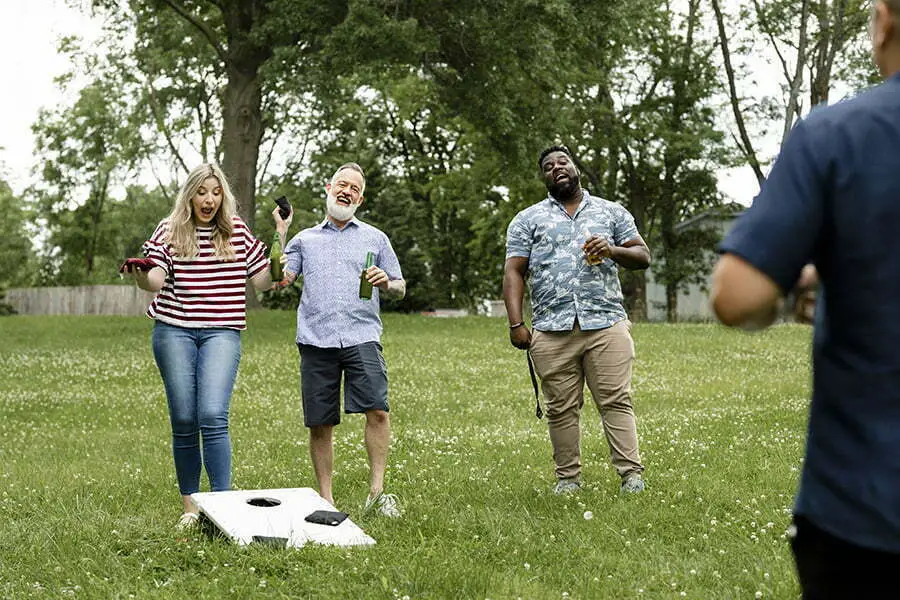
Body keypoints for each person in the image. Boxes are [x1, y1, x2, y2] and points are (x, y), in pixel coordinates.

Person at [710, 1, 900, 594]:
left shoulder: (838, 134)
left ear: (886, 19)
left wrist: (793, 279)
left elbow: (736, 295)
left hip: (865, 514)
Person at [121, 163, 277, 530]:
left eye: (216, 192)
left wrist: (282, 243)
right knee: (185, 420)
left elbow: (264, 282)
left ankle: (221, 507)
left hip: (221, 331)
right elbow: (155, 281)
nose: (209, 199)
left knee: (212, 415)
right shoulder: (169, 230)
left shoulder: (236, 232)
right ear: (189, 195)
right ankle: (191, 509)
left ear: (223, 196)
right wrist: (141, 272)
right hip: (174, 331)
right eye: (202, 192)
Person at [503, 145, 651, 495]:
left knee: (616, 400)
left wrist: (612, 250)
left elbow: (642, 256)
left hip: (606, 323)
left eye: (563, 162)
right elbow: (514, 271)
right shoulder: (527, 219)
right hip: (552, 328)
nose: (557, 168)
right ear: (544, 177)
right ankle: (568, 479)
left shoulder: (611, 212)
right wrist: (515, 323)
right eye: (548, 166)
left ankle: (631, 475)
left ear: (575, 167)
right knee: (560, 409)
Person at [275, 162, 406, 517]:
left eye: (354, 189)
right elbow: (278, 279)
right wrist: (281, 232)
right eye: (341, 184)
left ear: (360, 200)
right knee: (321, 421)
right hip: (316, 339)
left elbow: (400, 287)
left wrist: (385, 282)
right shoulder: (305, 239)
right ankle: (326, 500)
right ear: (328, 188)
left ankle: (376, 494)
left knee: (377, 411)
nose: (346, 191)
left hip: (361, 336)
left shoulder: (375, 239)